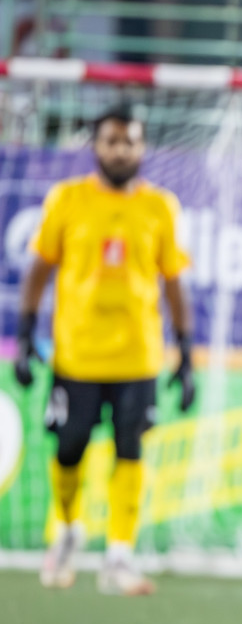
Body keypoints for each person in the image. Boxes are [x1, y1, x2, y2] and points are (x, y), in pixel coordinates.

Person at [15, 105, 197, 596]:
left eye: (130, 141)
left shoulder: (161, 207)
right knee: (70, 448)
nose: (121, 149)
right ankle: (68, 531)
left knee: (130, 449)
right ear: (96, 146)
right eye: (112, 140)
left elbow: (175, 282)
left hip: (139, 355)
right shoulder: (68, 200)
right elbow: (39, 269)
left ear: (143, 148)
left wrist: (186, 350)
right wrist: (25, 331)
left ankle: (119, 555)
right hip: (76, 354)